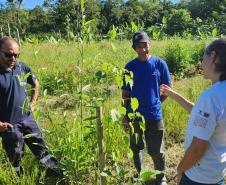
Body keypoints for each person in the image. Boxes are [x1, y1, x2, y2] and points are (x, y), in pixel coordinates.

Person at [161, 38, 226, 185]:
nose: (202, 62)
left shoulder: (210, 97)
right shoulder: (220, 94)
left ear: (213, 57)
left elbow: (197, 149)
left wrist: (180, 169)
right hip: (217, 173)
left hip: (198, 176)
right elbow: (204, 116)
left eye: (204, 56)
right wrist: (175, 95)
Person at [0, 36, 62, 176]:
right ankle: (18, 177)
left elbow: (35, 84)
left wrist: (33, 102)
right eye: (8, 55)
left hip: (28, 118)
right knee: (15, 153)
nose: (13, 58)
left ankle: (54, 173)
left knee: (40, 146)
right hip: (9, 124)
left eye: (16, 55)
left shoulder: (22, 67)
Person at [121, 32, 172, 185]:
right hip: (134, 115)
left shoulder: (159, 64)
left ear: (150, 44)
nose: (142, 49)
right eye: (139, 46)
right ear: (134, 48)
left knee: (157, 150)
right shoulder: (129, 67)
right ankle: (140, 174)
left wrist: (157, 102)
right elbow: (125, 93)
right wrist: (125, 116)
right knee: (136, 148)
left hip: (154, 115)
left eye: (145, 45)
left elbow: (167, 88)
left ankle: (160, 177)